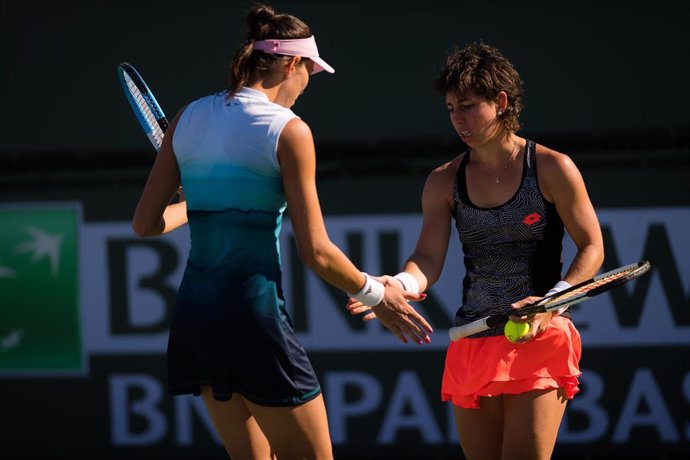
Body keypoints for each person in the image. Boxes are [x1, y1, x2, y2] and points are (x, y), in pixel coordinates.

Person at [131, 4, 432, 459]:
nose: (308, 83)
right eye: (310, 70)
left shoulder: (187, 118)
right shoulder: (288, 131)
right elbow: (316, 251)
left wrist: (198, 200)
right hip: (254, 323)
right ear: (292, 64)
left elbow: (146, 224)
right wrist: (377, 295)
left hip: (196, 323)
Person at [348, 41, 604, 460]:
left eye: (467, 105)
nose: (458, 119)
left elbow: (592, 246)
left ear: (500, 102)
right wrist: (397, 283)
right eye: (451, 109)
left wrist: (550, 302)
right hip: (472, 339)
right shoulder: (443, 181)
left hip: (542, 335)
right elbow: (428, 258)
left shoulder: (553, 167)